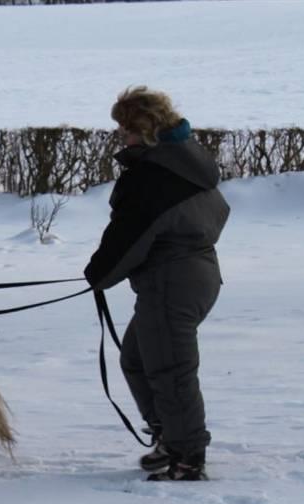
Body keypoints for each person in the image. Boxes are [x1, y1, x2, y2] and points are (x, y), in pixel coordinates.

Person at [84, 86, 230, 481]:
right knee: (136, 358)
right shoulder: (186, 161)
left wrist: (98, 275)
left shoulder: (153, 176)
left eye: (124, 128)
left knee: (169, 370)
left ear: (142, 130)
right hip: (194, 274)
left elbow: (128, 236)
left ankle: (187, 457)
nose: (119, 136)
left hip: (173, 281)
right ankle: (170, 435)